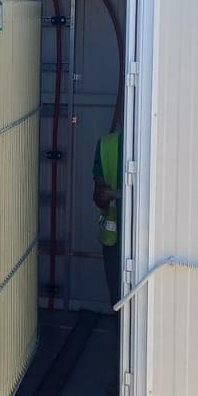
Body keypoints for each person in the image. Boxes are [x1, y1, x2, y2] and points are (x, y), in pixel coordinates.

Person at [92, 129, 122, 307]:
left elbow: (98, 197)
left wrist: (109, 194)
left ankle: (120, 332)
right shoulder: (107, 145)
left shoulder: (106, 145)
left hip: (114, 241)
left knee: (118, 300)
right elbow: (99, 197)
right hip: (115, 241)